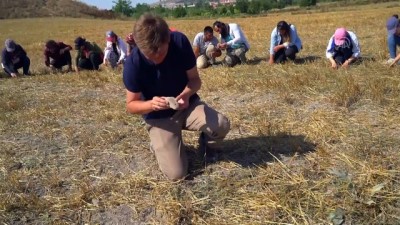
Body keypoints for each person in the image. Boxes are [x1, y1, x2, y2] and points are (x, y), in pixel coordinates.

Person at [123, 14, 230, 180]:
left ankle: (207, 143)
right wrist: (151, 104)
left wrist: (186, 95)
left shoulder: (179, 42)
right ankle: (160, 143)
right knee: (177, 174)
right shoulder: (133, 63)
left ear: (168, 38)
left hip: (186, 106)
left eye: (162, 51)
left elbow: (195, 80)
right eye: (151, 56)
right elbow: (131, 105)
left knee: (221, 124)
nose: (157, 58)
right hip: (158, 117)